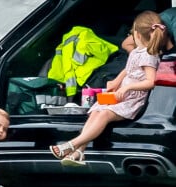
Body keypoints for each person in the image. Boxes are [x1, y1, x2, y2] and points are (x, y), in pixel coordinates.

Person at [50, 10, 165, 166]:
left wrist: (127, 88)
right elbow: (128, 70)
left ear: (136, 34)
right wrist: (116, 82)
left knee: (103, 114)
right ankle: (79, 152)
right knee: (95, 112)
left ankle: (71, 145)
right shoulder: (137, 52)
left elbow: (151, 81)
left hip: (132, 100)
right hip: (121, 94)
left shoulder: (149, 55)